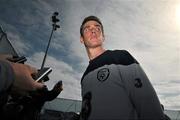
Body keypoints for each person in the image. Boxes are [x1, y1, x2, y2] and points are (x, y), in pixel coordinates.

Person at [79, 16, 165, 120]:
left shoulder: (121, 57)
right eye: (87, 29)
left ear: (103, 37)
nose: (93, 30)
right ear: (81, 39)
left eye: (98, 28)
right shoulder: (84, 77)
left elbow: (149, 107)